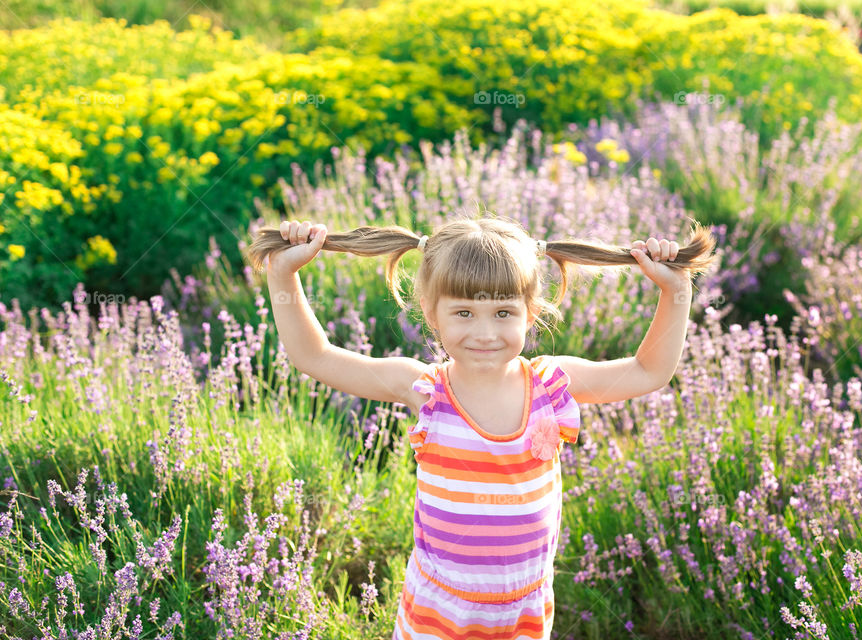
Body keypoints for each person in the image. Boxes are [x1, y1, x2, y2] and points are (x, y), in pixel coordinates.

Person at [245, 213, 717, 640]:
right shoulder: (424, 389)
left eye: (504, 313)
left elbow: (648, 370)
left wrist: (675, 292)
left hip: (524, 610)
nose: (485, 333)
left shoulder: (551, 384)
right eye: (464, 313)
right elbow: (315, 357)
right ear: (431, 314)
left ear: (531, 313)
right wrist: (284, 273)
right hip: (440, 609)